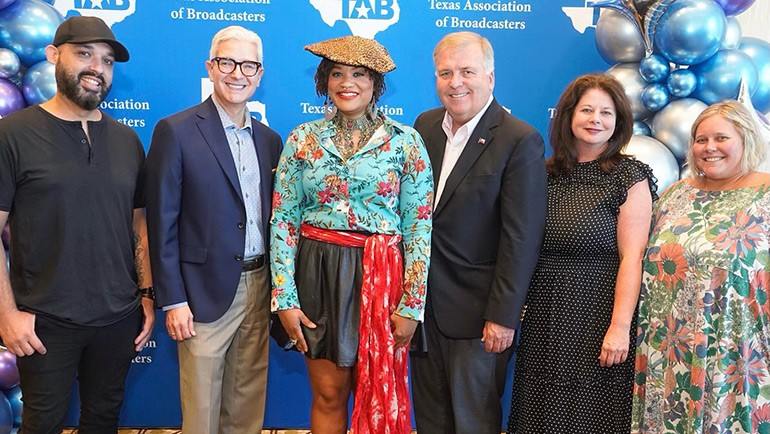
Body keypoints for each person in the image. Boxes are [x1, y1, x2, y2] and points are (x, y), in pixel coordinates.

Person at [270, 36, 433, 434]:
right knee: (328, 395)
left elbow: (419, 227)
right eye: (337, 73)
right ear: (325, 81)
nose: (348, 83)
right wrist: (284, 298)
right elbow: (283, 220)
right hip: (317, 274)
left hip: (383, 279)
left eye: (359, 74)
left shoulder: (406, 142)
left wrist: (412, 305)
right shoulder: (302, 139)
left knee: (376, 390)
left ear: (376, 84)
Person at [0, 16, 155, 432]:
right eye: (84, 54)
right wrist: (7, 313)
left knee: (103, 420)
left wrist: (146, 294)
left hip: (118, 317)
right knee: (42, 424)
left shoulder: (127, 140)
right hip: (44, 321)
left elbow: (138, 223)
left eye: (106, 61)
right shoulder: (12, 134)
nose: (96, 68)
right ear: (53, 56)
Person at [143, 26, 282, 434]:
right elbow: (161, 221)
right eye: (227, 62)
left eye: (249, 65)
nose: (237, 73)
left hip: (259, 287)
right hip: (201, 295)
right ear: (210, 67)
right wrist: (173, 300)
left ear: (260, 75)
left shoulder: (270, 140)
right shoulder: (176, 131)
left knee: (246, 404)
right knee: (201, 412)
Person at [409, 31, 547, 434]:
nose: (456, 82)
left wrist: (503, 317)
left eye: (467, 71)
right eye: (445, 73)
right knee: (432, 421)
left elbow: (520, 238)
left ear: (490, 77)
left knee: (472, 422)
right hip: (422, 310)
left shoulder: (519, 140)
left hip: (478, 316)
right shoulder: (425, 126)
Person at [507, 74, 657, 433]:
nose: (596, 119)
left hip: (598, 314)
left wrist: (619, 328)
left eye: (607, 112)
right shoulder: (543, 173)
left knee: (590, 415)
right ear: (568, 116)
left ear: (619, 121)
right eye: (587, 109)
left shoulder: (630, 177)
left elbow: (632, 258)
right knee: (539, 409)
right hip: (545, 313)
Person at [632, 100, 770, 433]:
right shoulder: (675, 195)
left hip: (734, 353)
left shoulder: (766, 195)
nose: (709, 148)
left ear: (746, 139)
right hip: (666, 352)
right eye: (701, 139)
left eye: (721, 138)